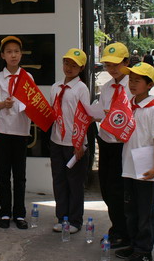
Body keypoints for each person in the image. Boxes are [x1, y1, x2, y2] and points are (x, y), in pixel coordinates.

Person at [114, 63, 154, 261]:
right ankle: (134, 245)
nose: (132, 83)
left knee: (145, 212)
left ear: (149, 84)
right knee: (131, 211)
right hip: (129, 167)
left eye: (137, 80)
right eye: (131, 79)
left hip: (146, 170)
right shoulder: (129, 106)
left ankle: (144, 251)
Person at [93, 42, 132, 248]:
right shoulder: (108, 87)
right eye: (108, 65)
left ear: (126, 62)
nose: (112, 69)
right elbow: (98, 111)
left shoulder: (133, 85)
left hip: (123, 145)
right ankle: (117, 227)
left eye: (116, 64)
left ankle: (122, 232)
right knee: (107, 189)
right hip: (106, 142)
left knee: (120, 190)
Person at [0, 36, 31, 229]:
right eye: (9, 51)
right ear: (2, 56)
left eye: (16, 51)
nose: (13, 55)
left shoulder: (28, 78)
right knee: (3, 173)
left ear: (21, 54)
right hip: (3, 131)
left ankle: (20, 214)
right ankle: (5, 212)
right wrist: (2, 104)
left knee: (20, 175)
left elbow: (34, 104)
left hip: (21, 131)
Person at [49, 48, 90, 234]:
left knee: (75, 184)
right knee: (59, 181)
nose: (69, 67)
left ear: (81, 68)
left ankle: (75, 221)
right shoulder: (56, 87)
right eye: (66, 63)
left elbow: (84, 117)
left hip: (75, 144)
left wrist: (79, 144)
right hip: (57, 141)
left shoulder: (81, 89)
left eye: (74, 65)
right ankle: (62, 218)